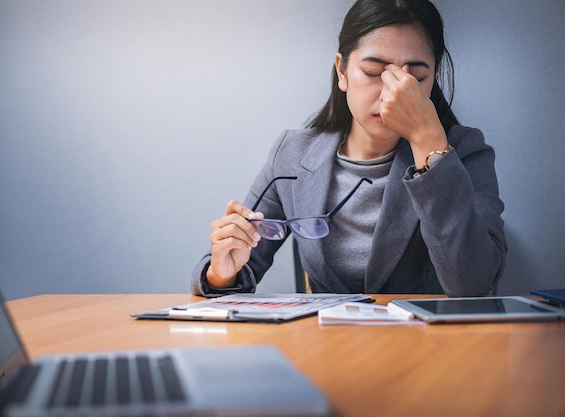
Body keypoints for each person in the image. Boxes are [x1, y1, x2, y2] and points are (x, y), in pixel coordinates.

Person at [191, 0, 507, 297]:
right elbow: (238, 266)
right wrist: (222, 273)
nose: (392, 95)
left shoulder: (463, 152)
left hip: (430, 348)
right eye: (372, 73)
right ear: (342, 71)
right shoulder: (292, 154)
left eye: (415, 78)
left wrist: (428, 141)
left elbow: (473, 286)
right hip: (328, 347)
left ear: (432, 78)